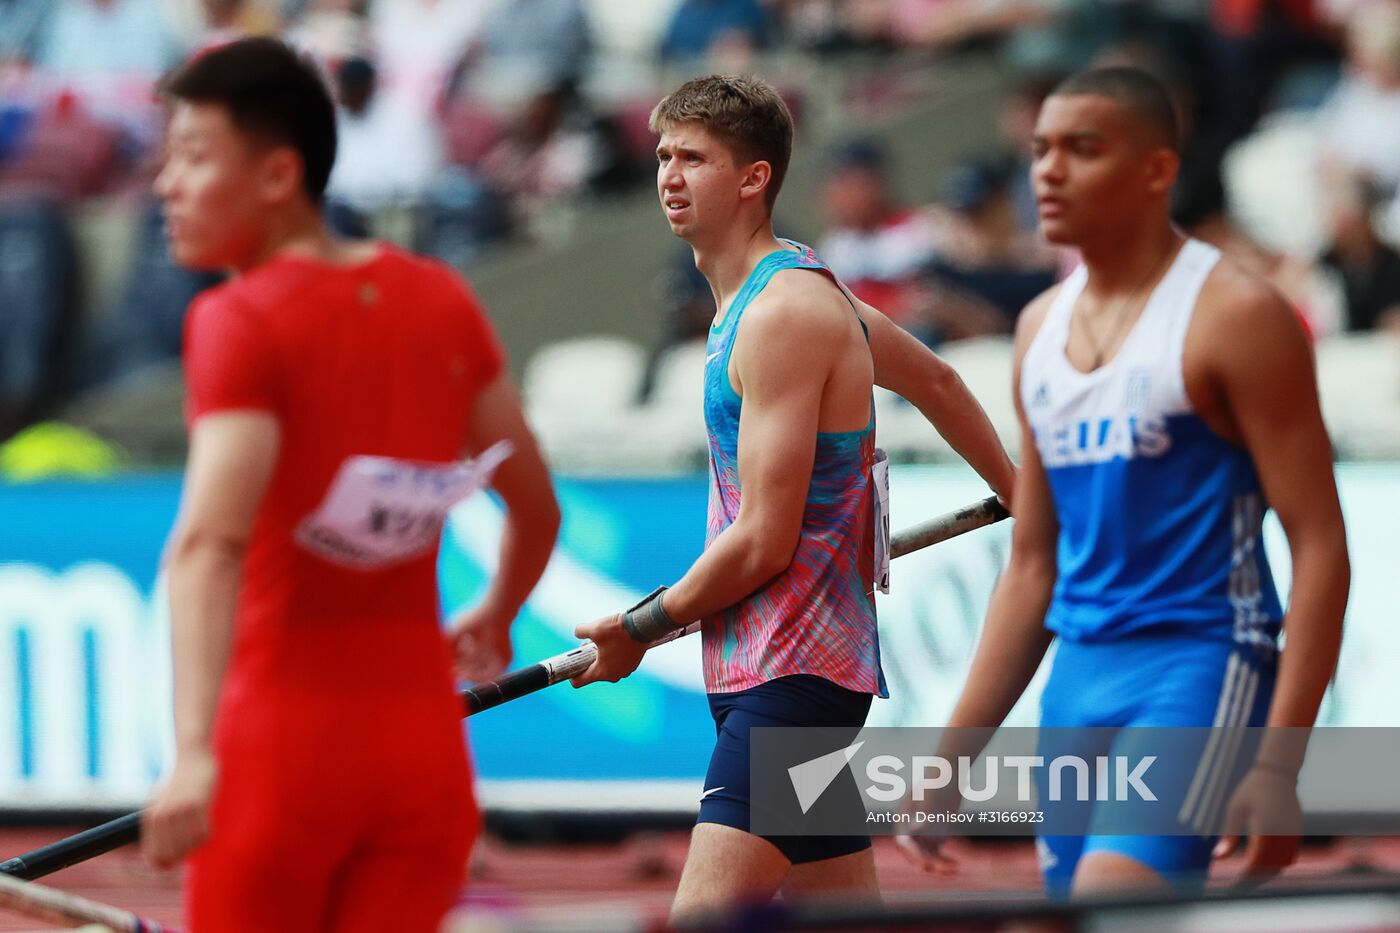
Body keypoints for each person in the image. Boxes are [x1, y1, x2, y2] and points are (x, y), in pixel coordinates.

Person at [138, 38, 560, 932]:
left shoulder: (237, 319)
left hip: (278, 757)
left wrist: (190, 753)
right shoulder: (439, 298)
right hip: (424, 756)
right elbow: (534, 505)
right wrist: (497, 611)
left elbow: (210, 543)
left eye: (194, 156)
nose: (165, 184)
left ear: (278, 174)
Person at [570, 75, 1017, 918]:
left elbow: (765, 539)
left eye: (694, 158)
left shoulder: (787, 312)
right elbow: (938, 378)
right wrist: (1020, 492)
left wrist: (638, 627)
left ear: (754, 178)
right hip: (764, 667)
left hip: (795, 677)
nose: (669, 174)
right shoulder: (774, 296)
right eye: (664, 155)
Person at [896, 66, 1349, 895]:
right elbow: (1034, 564)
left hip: (1201, 661)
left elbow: (1320, 543)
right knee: (1083, 912)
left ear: (1155, 171)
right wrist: (951, 755)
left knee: (1111, 901)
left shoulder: (1236, 314)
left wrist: (1282, 763)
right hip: (1078, 677)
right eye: (1039, 150)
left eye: (1083, 148)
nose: (1048, 172)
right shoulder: (1038, 328)